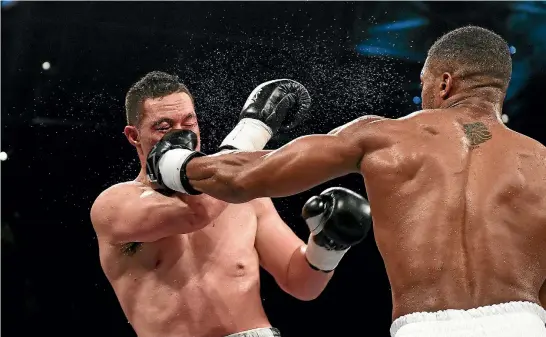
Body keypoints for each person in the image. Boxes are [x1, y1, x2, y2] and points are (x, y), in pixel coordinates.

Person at [153, 26, 546, 336]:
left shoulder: (382, 136)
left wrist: (173, 164)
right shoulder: (541, 163)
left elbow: (242, 178)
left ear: (443, 83)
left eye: (424, 83)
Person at [90, 71, 373, 337]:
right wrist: (254, 128)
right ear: (133, 136)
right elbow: (197, 213)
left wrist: (327, 246)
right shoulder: (114, 205)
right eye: (163, 127)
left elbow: (299, 282)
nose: (182, 136)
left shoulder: (248, 197)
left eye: (188, 123)